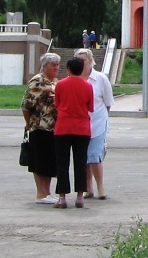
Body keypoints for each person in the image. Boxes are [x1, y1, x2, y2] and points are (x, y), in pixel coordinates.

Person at [52, 56, 94, 209]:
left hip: (63, 126)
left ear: (68, 69)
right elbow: (90, 107)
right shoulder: (88, 86)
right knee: (80, 162)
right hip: (82, 127)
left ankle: (62, 197)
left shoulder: (60, 84)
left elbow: (57, 103)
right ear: (81, 69)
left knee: (62, 162)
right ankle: (80, 196)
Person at [21, 52, 60, 204]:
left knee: (50, 161)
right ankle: (41, 193)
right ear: (45, 66)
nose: (56, 67)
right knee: (39, 160)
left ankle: (48, 192)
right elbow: (26, 105)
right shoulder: (37, 81)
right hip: (39, 127)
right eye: (53, 65)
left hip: (53, 128)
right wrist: (29, 123)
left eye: (57, 64)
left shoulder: (54, 82)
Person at [76, 48, 114, 199]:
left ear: (90, 61)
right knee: (83, 157)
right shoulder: (75, 78)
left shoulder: (101, 78)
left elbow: (108, 103)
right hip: (79, 124)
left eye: (83, 60)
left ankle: (100, 187)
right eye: (78, 60)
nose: (81, 63)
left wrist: (100, 116)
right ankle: (88, 188)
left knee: (94, 156)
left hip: (97, 123)